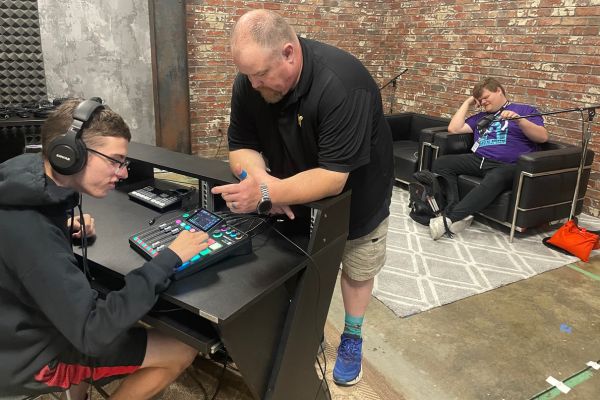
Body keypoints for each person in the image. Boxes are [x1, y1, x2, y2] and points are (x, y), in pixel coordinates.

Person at [210, 10, 393, 386]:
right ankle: (303, 336)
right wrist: (261, 180)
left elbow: (332, 178)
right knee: (298, 266)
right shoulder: (250, 81)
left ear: (289, 53)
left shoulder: (343, 84)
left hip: (358, 198)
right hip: (289, 196)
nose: (254, 83)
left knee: (357, 270)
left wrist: (264, 190)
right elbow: (240, 147)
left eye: (261, 74)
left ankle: (352, 336)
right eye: (248, 75)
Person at [0, 99, 209, 399]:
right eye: (115, 160)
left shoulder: (19, 182)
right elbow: (92, 333)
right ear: (69, 154)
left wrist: (63, 227)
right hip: (29, 359)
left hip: (15, 334)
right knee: (181, 349)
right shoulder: (33, 233)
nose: (123, 173)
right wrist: (169, 258)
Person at [430, 77, 549, 240]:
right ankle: (456, 208)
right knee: (442, 163)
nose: (483, 102)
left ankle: (451, 218)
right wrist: (468, 102)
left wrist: (519, 120)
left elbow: (542, 137)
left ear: (499, 90)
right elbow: (454, 128)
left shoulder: (524, 110)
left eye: (486, 97)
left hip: (508, 165)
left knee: (496, 176)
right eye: (480, 100)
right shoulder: (481, 117)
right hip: (479, 159)